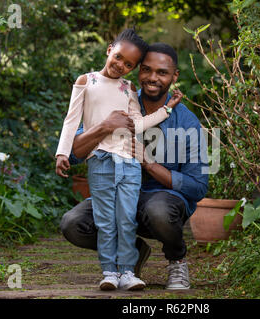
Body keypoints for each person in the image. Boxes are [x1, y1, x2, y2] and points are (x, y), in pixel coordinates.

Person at [57, 43, 208, 290]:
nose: (152, 78)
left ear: (174, 76)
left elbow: (197, 187)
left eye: (162, 72)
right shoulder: (119, 96)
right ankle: (133, 252)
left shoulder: (187, 121)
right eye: (146, 70)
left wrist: (148, 163)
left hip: (162, 201)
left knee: (159, 211)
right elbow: (75, 153)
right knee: (73, 223)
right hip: (114, 192)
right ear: (137, 71)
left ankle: (177, 259)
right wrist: (104, 127)